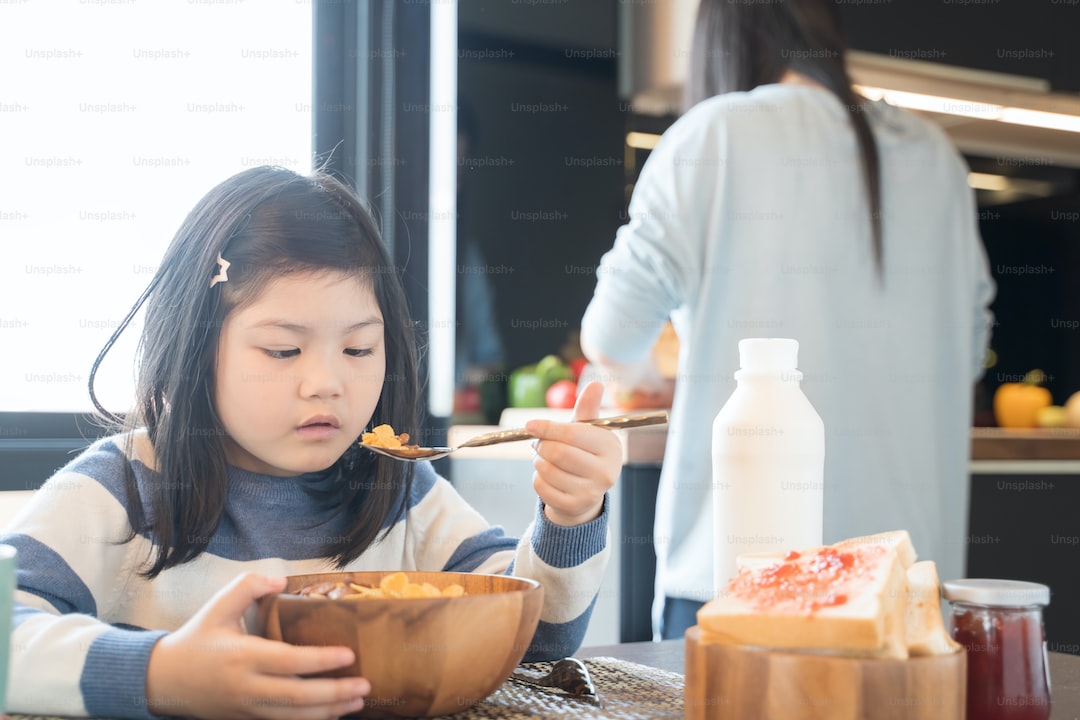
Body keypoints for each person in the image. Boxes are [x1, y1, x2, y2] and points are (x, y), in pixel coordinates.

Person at [4, 166, 621, 719]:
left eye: (358, 349)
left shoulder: (396, 491)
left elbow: (535, 644)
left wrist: (570, 514)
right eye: (282, 350)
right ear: (196, 349)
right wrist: (162, 673)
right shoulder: (123, 488)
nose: (327, 383)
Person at [580, 0, 996, 640]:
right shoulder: (938, 157)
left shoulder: (714, 133)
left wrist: (654, 382)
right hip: (907, 593)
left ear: (724, 37)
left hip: (742, 585)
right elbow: (966, 356)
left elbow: (611, 337)